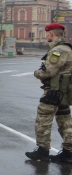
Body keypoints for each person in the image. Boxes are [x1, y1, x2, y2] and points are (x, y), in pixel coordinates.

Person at [26, 23, 72, 164]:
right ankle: (68, 153)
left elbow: (49, 71)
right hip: (64, 92)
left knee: (43, 120)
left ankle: (43, 151)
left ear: (51, 34)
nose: (46, 36)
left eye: (47, 33)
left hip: (54, 92)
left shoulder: (58, 50)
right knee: (65, 121)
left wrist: (37, 73)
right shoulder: (68, 48)